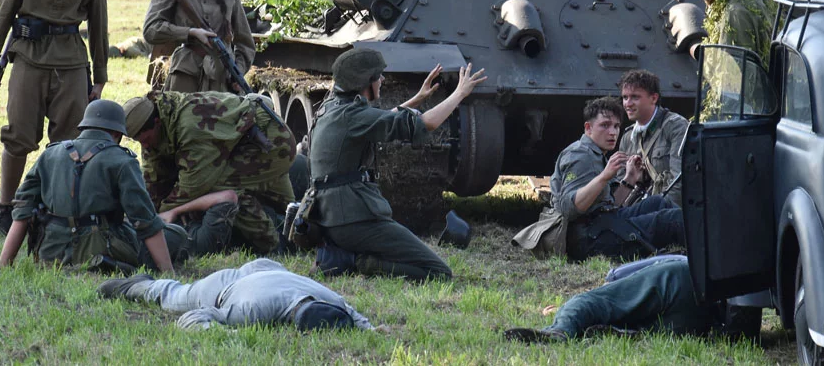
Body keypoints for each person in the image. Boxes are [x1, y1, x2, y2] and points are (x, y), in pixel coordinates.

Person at [306, 49, 485, 280]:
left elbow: (381, 119)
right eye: (378, 76)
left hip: (330, 218)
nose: (383, 79)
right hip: (352, 220)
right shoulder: (353, 116)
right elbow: (425, 124)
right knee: (438, 273)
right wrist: (459, 93)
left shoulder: (334, 107)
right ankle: (351, 260)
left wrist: (418, 98)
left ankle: (343, 252)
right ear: (365, 82)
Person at [0, 0, 110, 235]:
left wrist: (99, 77)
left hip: (71, 61)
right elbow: (4, 8)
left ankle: (58, 208)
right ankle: (6, 208)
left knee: (69, 141)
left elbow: (99, 24)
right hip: (29, 56)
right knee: (19, 136)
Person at [0, 99, 175, 272]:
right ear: (117, 134)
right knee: (174, 235)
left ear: (83, 127)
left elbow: (22, 211)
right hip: (101, 251)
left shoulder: (50, 154)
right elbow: (145, 221)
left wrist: (3, 265)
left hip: (51, 252)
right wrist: (169, 273)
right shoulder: (122, 161)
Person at [122, 90, 295, 255]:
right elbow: (154, 178)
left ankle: (273, 244)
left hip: (270, 142)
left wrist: (163, 215)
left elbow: (194, 185)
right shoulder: (157, 125)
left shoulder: (189, 126)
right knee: (287, 209)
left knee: (220, 190)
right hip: (239, 143)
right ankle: (294, 231)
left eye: (145, 140)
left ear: (157, 123)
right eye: (138, 141)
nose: (144, 145)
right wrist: (143, 213)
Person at [546, 97, 684, 262]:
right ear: (588, 128)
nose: (613, 132)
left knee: (660, 203)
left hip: (602, 224)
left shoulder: (596, 153)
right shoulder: (580, 155)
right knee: (672, 220)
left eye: (616, 126)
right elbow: (569, 209)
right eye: (605, 125)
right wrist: (605, 176)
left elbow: (609, 205)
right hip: (587, 240)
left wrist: (629, 179)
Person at [98, 257, 371, 332]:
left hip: (267, 269)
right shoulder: (254, 310)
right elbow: (193, 318)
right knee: (172, 295)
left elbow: (351, 313)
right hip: (224, 286)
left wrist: (370, 329)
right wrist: (231, 334)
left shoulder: (330, 298)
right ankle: (134, 285)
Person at [503, 256, 729, 342]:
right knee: (644, 325)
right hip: (707, 317)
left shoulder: (618, 275)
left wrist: (566, 311)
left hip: (680, 278)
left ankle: (559, 331)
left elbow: (605, 289)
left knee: (590, 301)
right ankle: (619, 332)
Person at [618, 70, 690, 208]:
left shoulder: (675, 127)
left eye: (635, 97)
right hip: (636, 213)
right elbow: (621, 185)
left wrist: (656, 215)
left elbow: (680, 184)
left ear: (654, 98)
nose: (628, 103)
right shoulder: (628, 138)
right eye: (625, 97)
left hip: (665, 215)